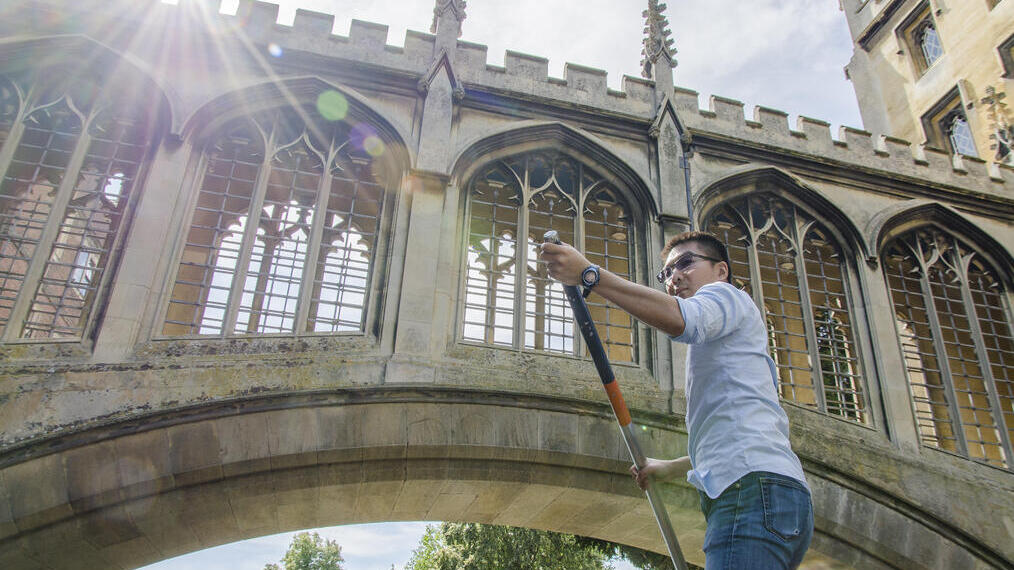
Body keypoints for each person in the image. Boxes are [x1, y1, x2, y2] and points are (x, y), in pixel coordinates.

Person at [539, 230, 813, 570]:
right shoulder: (733, 348)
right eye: (666, 272)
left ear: (721, 271)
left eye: (686, 263)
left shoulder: (726, 295)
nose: (674, 277)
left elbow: (683, 319)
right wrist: (671, 467)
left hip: (750, 493)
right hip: (777, 495)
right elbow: (739, 434)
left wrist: (588, 274)